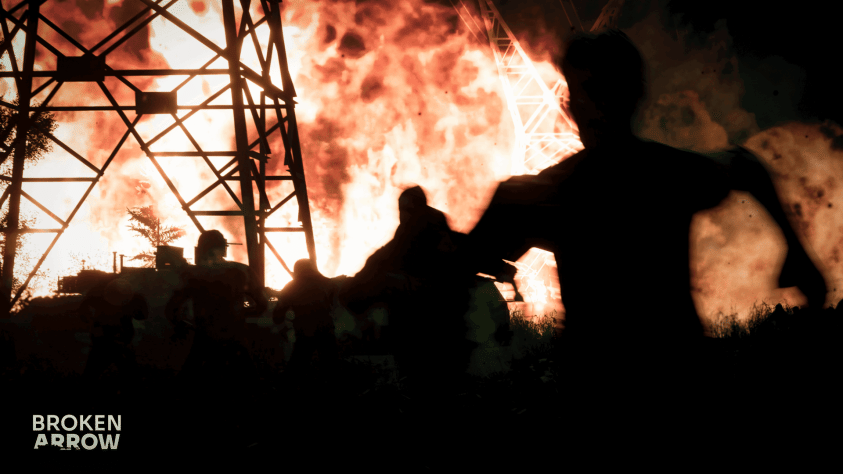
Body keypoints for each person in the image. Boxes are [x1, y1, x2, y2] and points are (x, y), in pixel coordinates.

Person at [465, 30, 827, 413]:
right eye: (589, 92)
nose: (597, 106)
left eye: (606, 91)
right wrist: (799, 255)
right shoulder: (668, 173)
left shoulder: (555, 192)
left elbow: (463, 261)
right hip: (672, 380)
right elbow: (746, 165)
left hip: (606, 386)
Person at [273, 258, 338, 388]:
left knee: (299, 360)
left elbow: (279, 311)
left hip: (305, 328)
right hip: (326, 326)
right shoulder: (326, 283)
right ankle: (331, 387)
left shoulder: (292, 286)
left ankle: (289, 386)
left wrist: (279, 323)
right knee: (329, 362)